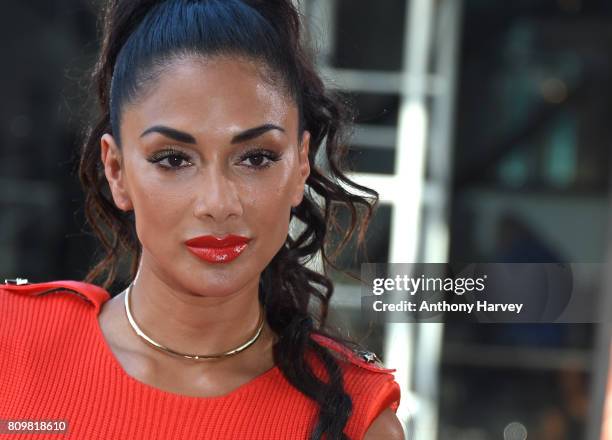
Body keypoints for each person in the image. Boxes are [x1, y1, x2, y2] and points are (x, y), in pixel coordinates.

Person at [0, 0, 402, 439]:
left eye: (256, 158)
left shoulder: (357, 417)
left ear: (301, 165)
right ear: (116, 171)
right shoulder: (11, 342)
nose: (218, 203)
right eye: (173, 159)